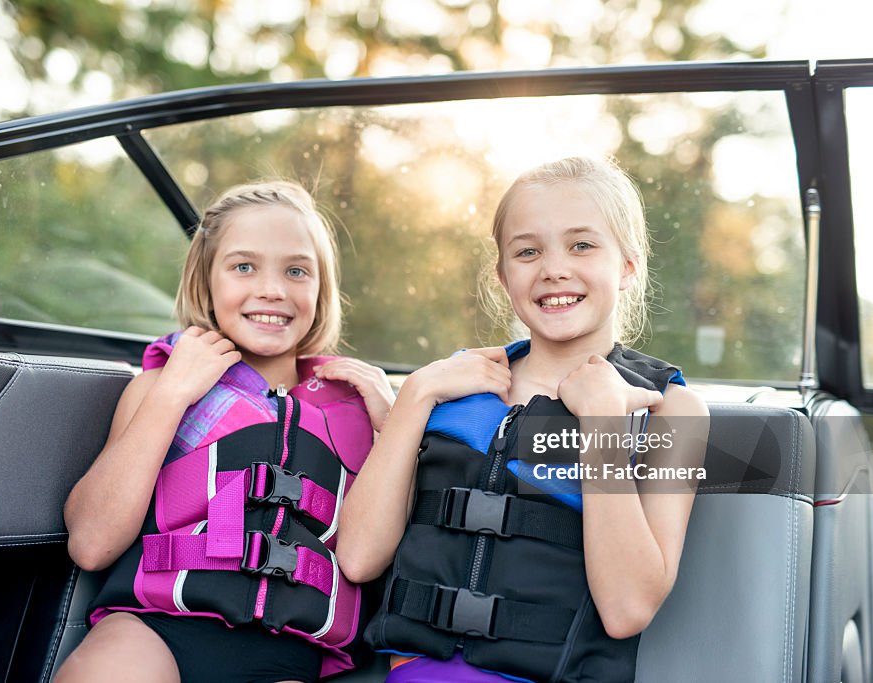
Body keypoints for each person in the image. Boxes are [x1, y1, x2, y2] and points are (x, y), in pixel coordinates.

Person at [337, 157, 709, 683]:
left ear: (627, 264)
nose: (553, 268)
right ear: (503, 275)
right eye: (528, 251)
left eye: (581, 245)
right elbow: (357, 560)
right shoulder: (449, 390)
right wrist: (414, 397)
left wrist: (602, 422)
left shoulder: (669, 410)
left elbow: (628, 609)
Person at [55, 181, 395, 683]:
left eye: (297, 271)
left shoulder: (357, 410)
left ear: (320, 290)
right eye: (243, 267)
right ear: (205, 281)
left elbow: (373, 558)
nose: (272, 290)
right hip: (154, 629)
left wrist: (392, 425)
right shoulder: (159, 387)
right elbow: (91, 544)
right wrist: (172, 395)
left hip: (286, 654)